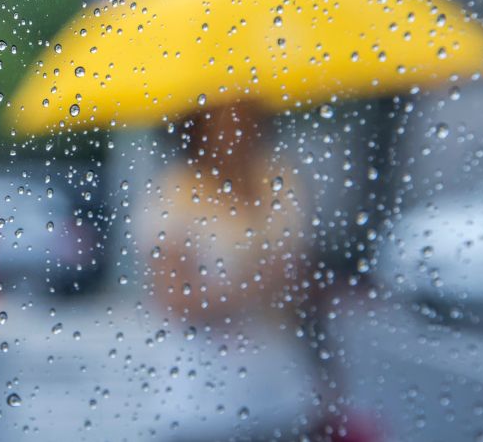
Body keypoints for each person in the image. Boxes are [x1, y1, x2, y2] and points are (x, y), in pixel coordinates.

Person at [137, 102, 356, 440]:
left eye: (245, 116)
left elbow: (303, 276)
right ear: (197, 126)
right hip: (203, 390)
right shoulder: (177, 191)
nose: (235, 130)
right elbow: (174, 298)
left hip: (282, 381)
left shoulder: (279, 179)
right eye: (222, 119)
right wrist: (255, 286)